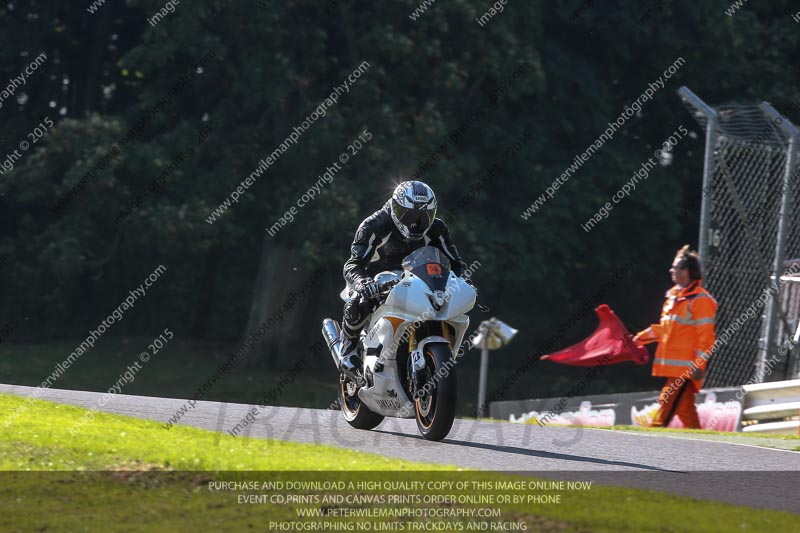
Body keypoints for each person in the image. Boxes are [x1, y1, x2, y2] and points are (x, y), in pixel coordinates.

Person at [337, 180, 468, 374]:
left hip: (416, 279)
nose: (416, 223)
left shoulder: (437, 229)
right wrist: (362, 283)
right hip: (375, 280)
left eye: (425, 217)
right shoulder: (374, 225)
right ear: (397, 209)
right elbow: (353, 264)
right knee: (357, 301)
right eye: (410, 216)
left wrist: (465, 279)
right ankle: (348, 350)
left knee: (444, 303)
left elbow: (456, 263)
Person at [633, 245, 717, 428]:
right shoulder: (673, 297)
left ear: (686, 271)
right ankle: (701, 446)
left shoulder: (701, 300)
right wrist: (639, 338)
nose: (671, 271)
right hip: (675, 369)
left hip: (686, 369)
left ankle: (651, 440)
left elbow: (706, 338)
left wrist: (698, 365)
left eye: (676, 267)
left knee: (666, 406)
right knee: (685, 412)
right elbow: (664, 329)